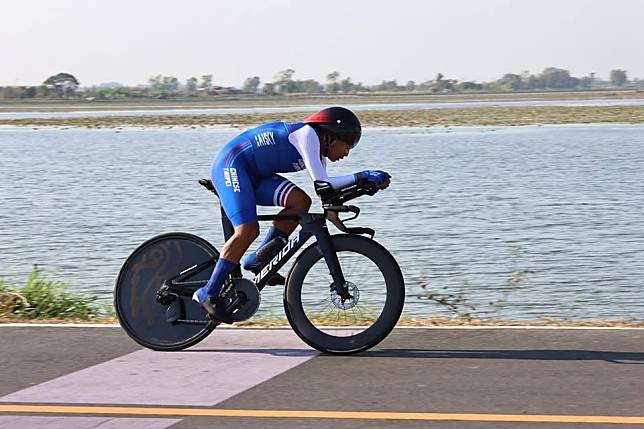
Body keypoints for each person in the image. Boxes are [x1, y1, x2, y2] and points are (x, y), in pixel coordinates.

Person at [192, 106, 391, 322]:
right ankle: (208, 292)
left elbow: (326, 195)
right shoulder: (308, 135)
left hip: (256, 175)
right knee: (247, 230)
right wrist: (362, 175)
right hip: (232, 165)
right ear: (332, 136)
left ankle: (259, 259)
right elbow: (323, 183)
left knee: (300, 202)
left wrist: (349, 213)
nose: (347, 152)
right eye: (349, 144)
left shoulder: (318, 153)